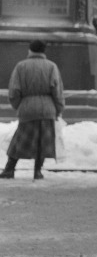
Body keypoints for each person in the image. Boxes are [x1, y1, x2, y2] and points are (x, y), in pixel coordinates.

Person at [1, 40, 65, 180]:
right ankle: (37, 171)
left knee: (19, 140)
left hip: (27, 109)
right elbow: (57, 90)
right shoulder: (51, 67)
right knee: (42, 141)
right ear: (43, 51)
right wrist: (58, 108)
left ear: (30, 50)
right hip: (47, 110)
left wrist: (20, 105)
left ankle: (9, 169)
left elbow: (14, 91)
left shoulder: (21, 66)